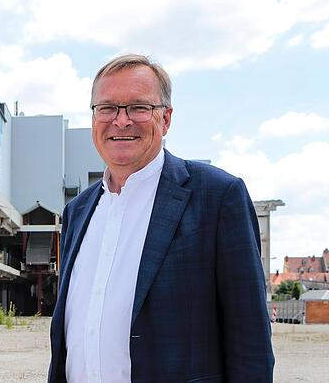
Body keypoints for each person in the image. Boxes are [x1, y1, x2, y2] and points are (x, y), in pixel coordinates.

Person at [47, 54, 274, 382]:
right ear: (94, 116)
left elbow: (250, 343)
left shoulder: (217, 197)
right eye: (107, 107)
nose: (121, 121)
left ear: (166, 119)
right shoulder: (77, 212)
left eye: (139, 107)